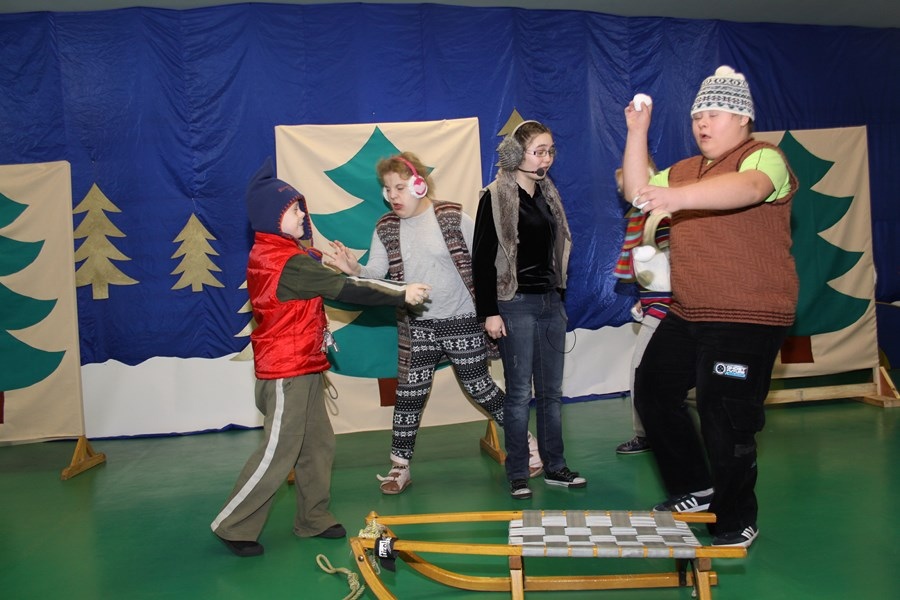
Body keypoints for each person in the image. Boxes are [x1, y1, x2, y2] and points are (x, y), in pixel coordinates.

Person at [210, 158, 431, 557]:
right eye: (293, 209)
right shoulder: (288, 262)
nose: (302, 214)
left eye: (301, 207)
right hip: (286, 370)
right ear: (273, 218)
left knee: (317, 445)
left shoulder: (285, 252)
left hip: (306, 363)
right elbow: (348, 290)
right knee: (278, 452)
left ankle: (313, 517)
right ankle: (233, 524)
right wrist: (402, 292)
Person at [622, 66, 798, 548]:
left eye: (714, 113)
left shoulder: (764, 157)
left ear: (742, 118)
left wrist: (675, 198)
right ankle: (696, 488)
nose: (702, 122)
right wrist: (637, 131)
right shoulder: (684, 169)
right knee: (653, 391)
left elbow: (749, 189)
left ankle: (736, 518)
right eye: (698, 114)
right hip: (690, 311)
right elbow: (638, 192)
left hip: (748, 317)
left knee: (725, 416)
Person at [325, 152, 542, 495]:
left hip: (462, 320)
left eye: (399, 187)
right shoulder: (386, 227)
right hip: (417, 327)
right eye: (387, 189)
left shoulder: (453, 217)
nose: (392, 196)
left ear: (419, 185)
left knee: (480, 388)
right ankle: (399, 467)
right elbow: (376, 274)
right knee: (408, 395)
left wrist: (492, 309)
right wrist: (354, 270)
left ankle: (527, 445)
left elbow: (486, 261)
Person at [472, 119, 586, 500]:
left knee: (551, 392)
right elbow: (481, 260)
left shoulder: (549, 194)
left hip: (550, 303)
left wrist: (559, 294)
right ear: (516, 154)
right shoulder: (493, 196)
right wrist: (489, 312)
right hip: (515, 305)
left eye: (550, 151)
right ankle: (518, 473)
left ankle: (556, 466)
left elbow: (558, 249)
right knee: (520, 393)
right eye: (539, 151)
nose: (546, 159)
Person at [612, 162, 670, 455]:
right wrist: (643, 300)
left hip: (665, 310)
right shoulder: (641, 219)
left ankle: (645, 433)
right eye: (622, 190)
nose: (625, 194)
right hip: (657, 307)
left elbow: (675, 264)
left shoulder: (658, 219)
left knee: (640, 371)